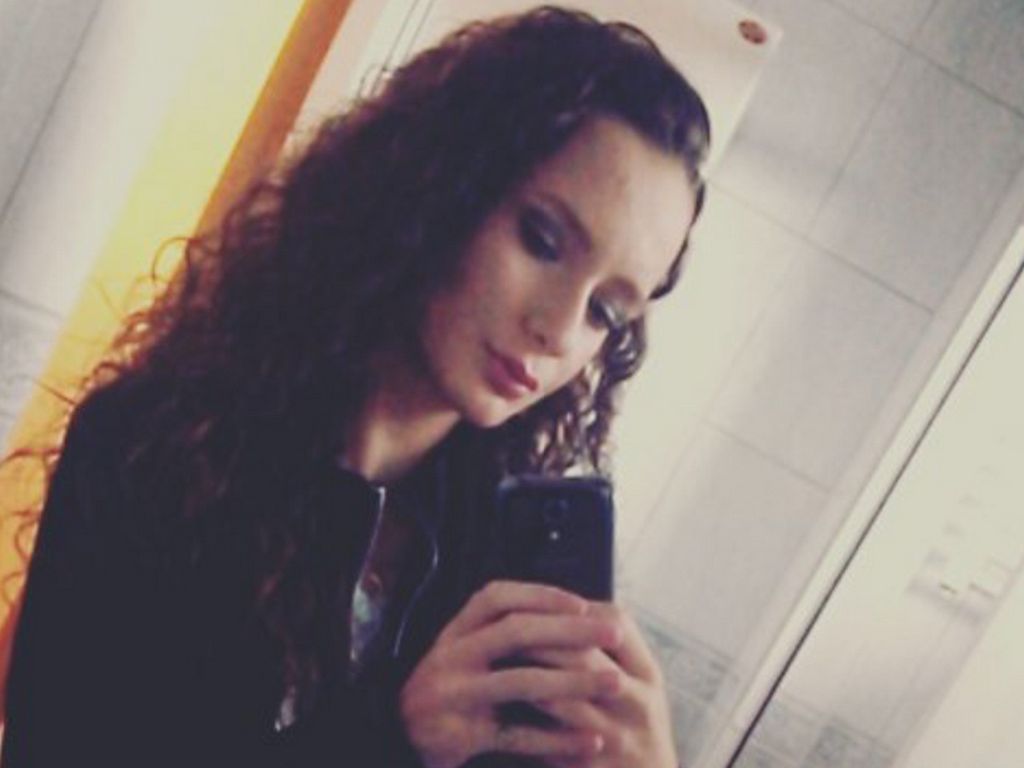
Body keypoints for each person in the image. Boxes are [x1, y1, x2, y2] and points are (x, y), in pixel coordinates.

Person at [1, 6, 709, 767]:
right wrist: (388, 742)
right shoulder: (150, 451)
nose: (561, 329)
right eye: (542, 240)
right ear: (444, 182)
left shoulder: (501, 564)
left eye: (607, 312)